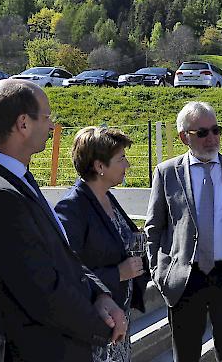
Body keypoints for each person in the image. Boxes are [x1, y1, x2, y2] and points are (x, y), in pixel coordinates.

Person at [0, 79, 126, 361]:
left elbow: (63, 255)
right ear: (23, 124)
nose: (52, 126)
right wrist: (104, 326)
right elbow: (43, 291)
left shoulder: (16, 179)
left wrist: (101, 295)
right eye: (47, 117)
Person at [145, 101, 222, 362]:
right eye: (202, 133)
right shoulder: (167, 172)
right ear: (184, 137)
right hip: (185, 278)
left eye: (215, 130)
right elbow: (154, 227)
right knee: (186, 354)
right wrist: (160, 272)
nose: (211, 138)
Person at [55, 127, 150, 362]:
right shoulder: (72, 208)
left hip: (118, 321)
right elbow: (68, 269)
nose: (127, 165)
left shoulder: (108, 197)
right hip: (96, 328)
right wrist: (117, 273)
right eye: (121, 159)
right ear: (99, 166)